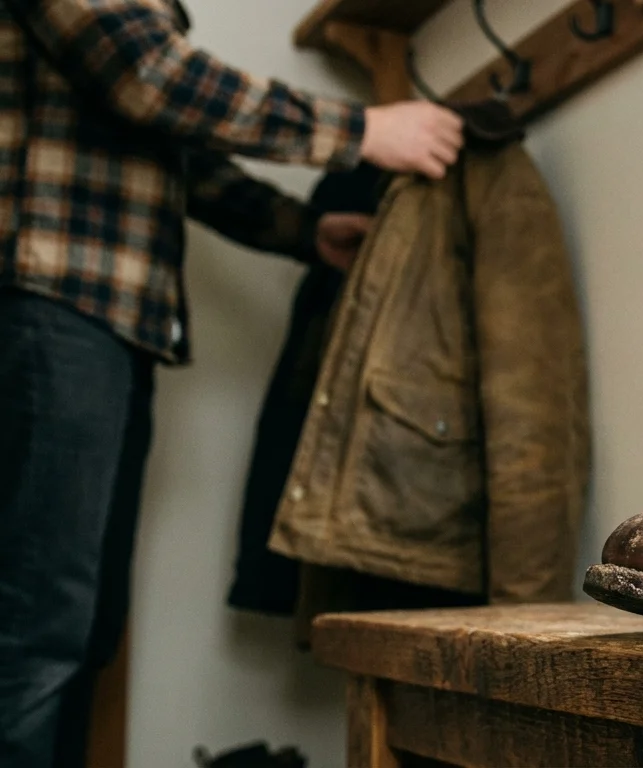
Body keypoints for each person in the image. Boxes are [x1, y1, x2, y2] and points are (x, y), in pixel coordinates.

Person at [0, 1, 465, 765]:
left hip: (100, 317)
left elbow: (172, 145)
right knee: (40, 626)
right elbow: (148, 76)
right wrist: (362, 132)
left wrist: (300, 229)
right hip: (49, 299)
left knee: (80, 627)